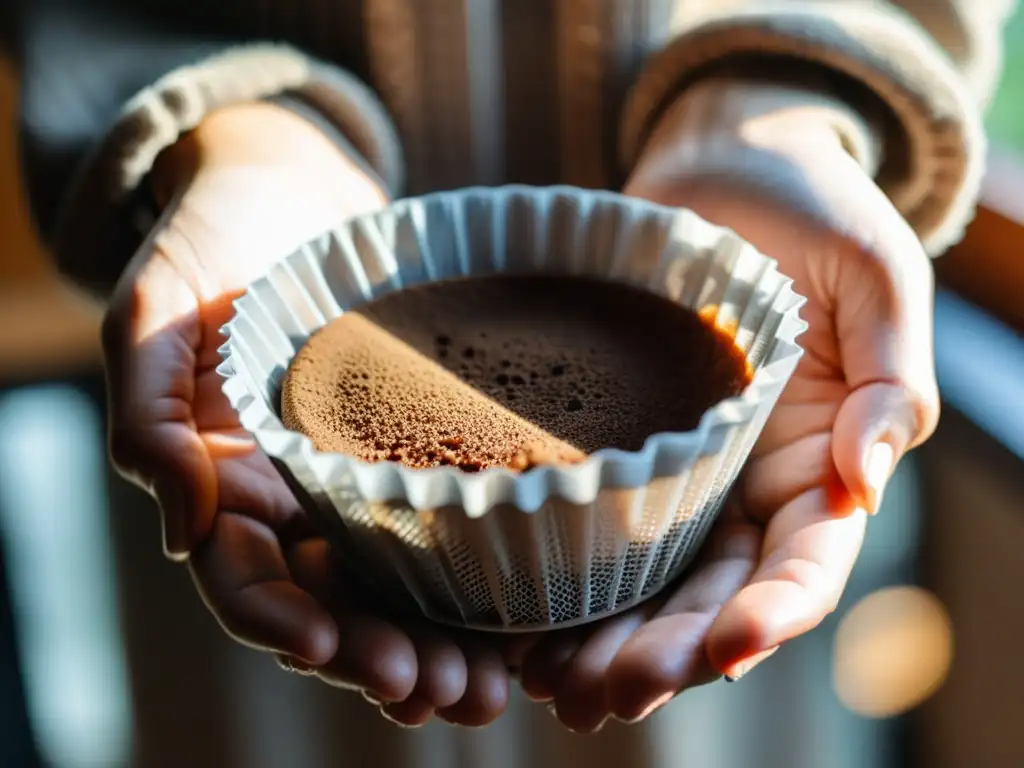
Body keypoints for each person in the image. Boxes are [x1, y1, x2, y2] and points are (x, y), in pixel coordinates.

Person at [1, 0, 1012, 733]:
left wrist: (784, 100)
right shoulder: (266, 358)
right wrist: (240, 141)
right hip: (301, 528)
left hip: (696, 552)